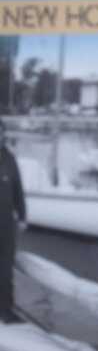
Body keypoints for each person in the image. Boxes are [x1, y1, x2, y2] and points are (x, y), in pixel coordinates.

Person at [0, 120, 26, 324]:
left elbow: (18, 189)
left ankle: (6, 311)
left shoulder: (10, 159)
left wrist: (23, 216)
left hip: (6, 223)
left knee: (6, 268)